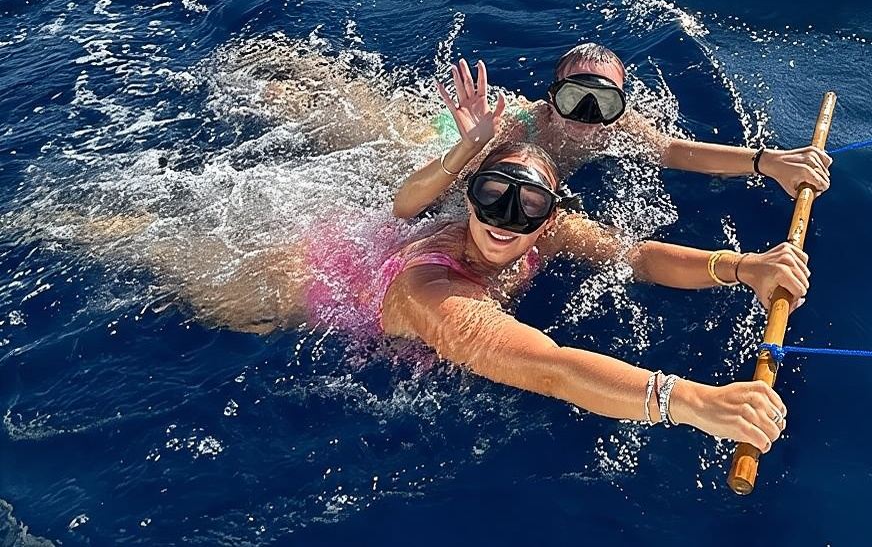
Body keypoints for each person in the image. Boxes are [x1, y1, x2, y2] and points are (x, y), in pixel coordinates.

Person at [74, 142, 812, 453]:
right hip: (276, 282)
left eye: (524, 208)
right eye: (490, 197)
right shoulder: (434, 291)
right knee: (127, 245)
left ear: (548, 218)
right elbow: (548, 366)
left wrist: (745, 266)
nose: (502, 220)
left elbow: (639, 255)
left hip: (346, 242)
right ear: (468, 196)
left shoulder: (542, 230)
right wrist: (689, 400)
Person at [393, 43, 832, 219]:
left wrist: (767, 162)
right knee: (372, 129)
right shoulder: (522, 126)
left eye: (602, 102)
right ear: (551, 99)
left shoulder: (618, 128)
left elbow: (677, 152)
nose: (586, 116)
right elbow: (428, 195)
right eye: (573, 99)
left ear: (620, 108)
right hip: (445, 140)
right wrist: (474, 144)